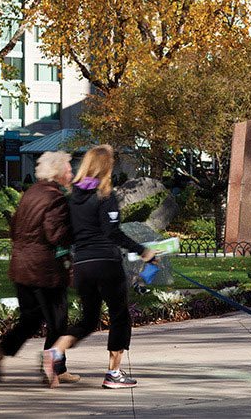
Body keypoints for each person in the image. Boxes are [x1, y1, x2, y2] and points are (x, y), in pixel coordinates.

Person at [41, 145, 158, 389]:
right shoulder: (106, 195)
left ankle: (56, 350)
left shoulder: (72, 198)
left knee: (89, 319)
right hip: (106, 263)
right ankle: (113, 374)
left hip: (82, 264)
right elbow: (112, 232)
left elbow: (68, 232)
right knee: (120, 317)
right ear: (106, 167)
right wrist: (143, 251)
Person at [0, 151, 79, 384]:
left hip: (22, 266)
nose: (72, 172)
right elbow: (56, 234)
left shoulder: (31, 193)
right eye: (68, 167)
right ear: (58, 172)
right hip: (46, 268)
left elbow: (14, 229)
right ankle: (53, 367)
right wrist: (77, 230)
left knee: (32, 319)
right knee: (58, 320)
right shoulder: (56, 197)